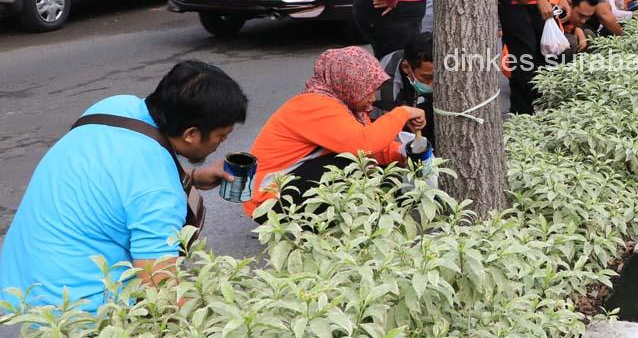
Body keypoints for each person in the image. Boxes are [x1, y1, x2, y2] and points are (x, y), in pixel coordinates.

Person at [0, 62, 248, 313]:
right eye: (221, 136)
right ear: (191, 134)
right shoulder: (159, 194)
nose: (221, 143)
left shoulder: (114, 107)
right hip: (74, 310)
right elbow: (160, 290)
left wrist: (191, 177)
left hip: (21, 284)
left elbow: (118, 174)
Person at [245, 47, 425, 220]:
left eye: (375, 90)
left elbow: (373, 145)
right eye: (367, 90)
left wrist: (402, 152)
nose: (372, 98)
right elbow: (364, 145)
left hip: (283, 186)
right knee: (351, 164)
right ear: (349, 84)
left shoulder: (342, 104)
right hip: (268, 199)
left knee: (369, 166)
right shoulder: (315, 106)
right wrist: (403, 113)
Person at [377, 32, 436, 147]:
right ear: (406, 67)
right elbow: (389, 132)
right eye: (426, 78)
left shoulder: (423, 63)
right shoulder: (386, 85)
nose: (432, 85)